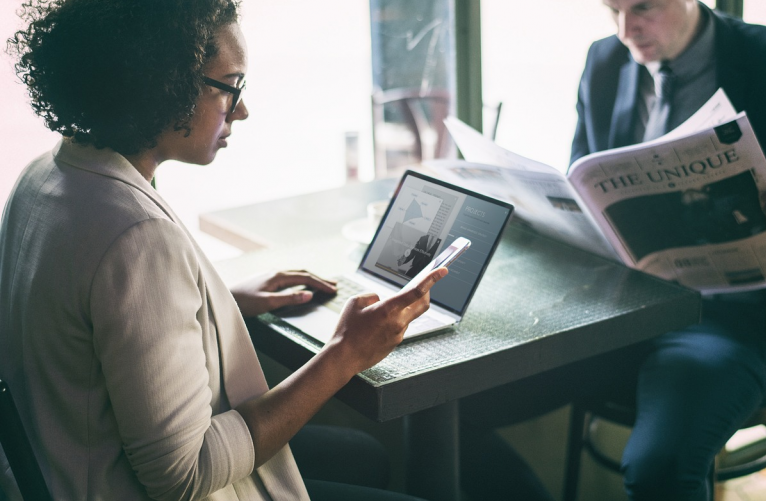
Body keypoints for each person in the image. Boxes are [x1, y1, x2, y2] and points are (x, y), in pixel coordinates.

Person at [0, 1, 445, 500]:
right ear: (160, 84)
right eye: (230, 86)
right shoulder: (137, 236)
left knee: (364, 458)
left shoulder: (45, 176)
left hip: (64, 467)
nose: (243, 109)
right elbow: (184, 476)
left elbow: (94, 315)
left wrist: (213, 302)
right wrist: (345, 354)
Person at [458, 1, 766, 500]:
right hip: (614, 310)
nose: (627, 29)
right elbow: (583, 189)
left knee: (660, 467)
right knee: (451, 413)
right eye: (613, 9)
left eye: (643, 6)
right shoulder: (604, 61)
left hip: (726, 319)